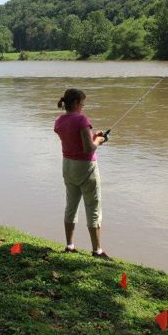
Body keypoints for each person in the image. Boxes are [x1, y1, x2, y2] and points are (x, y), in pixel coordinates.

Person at [54, 88, 109, 259]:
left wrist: (92, 135)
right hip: (85, 167)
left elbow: (74, 139)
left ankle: (69, 246)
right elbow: (88, 148)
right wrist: (99, 140)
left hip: (68, 166)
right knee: (93, 207)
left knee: (71, 206)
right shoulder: (81, 119)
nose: (83, 106)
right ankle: (97, 251)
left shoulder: (59, 121)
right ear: (76, 103)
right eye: (82, 103)